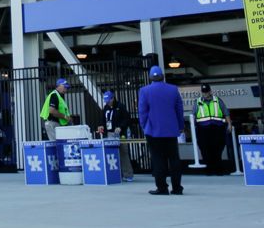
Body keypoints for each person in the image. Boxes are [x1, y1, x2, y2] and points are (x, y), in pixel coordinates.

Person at [137, 65, 184, 196]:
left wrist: (144, 126)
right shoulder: (173, 89)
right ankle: (177, 188)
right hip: (171, 131)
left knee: (158, 160)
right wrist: (180, 126)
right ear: (163, 76)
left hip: (153, 131)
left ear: (150, 77)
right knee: (174, 159)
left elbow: (142, 112)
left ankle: (162, 188)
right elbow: (179, 110)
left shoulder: (145, 91)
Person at [95, 90, 134, 181]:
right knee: (112, 153)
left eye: (109, 100)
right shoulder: (105, 108)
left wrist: (120, 127)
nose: (107, 102)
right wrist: (101, 126)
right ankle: (116, 173)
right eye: (106, 101)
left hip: (121, 134)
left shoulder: (120, 106)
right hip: (110, 133)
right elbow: (103, 120)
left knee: (123, 153)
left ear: (113, 98)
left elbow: (127, 119)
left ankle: (128, 174)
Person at [193, 83, 231, 175]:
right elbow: (193, 116)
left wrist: (229, 124)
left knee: (217, 149)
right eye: (203, 92)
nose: (205, 93)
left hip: (217, 128)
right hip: (203, 129)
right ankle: (209, 169)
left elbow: (226, 113)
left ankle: (218, 170)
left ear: (210, 91)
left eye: (206, 91)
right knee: (205, 150)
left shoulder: (218, 100)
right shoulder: (197, 102)